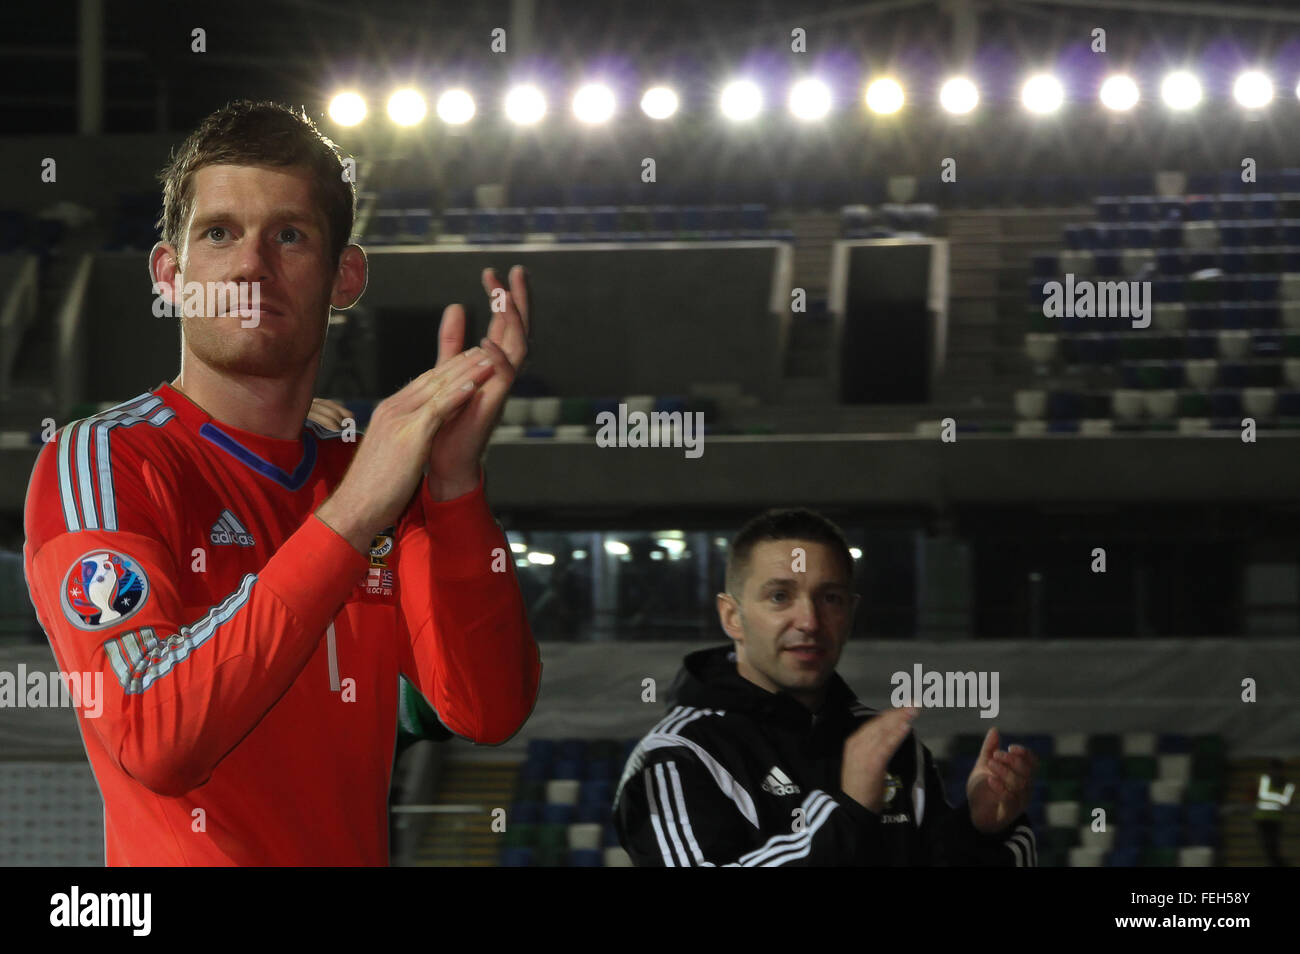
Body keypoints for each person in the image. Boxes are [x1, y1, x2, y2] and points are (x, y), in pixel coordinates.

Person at [22, 100, 541, 865]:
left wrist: (455, 487)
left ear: (345, 276)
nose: (250, 265)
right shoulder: (105, 461)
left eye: (289, 235)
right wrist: (352, 513)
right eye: (219, 232)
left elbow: (487, 709)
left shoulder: (372, 475)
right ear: (170, 274)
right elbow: (154, 733)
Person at [614, 507, 1038, 866]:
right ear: (732, 617)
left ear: (850, 614)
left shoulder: (890, 745)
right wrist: (846, 811)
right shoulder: (675, 758)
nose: (810, 621)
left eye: (830, 598)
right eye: (780, 596)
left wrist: (979, 831)